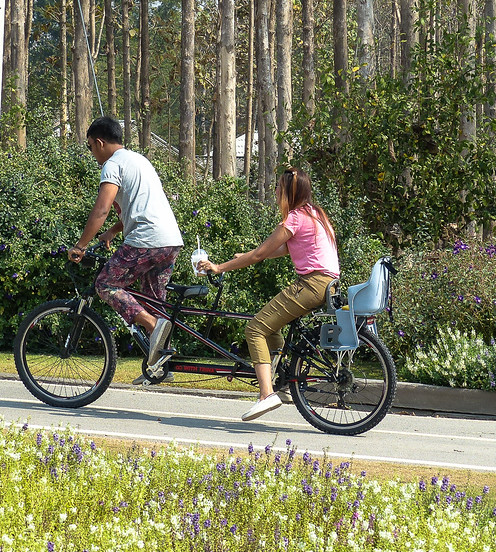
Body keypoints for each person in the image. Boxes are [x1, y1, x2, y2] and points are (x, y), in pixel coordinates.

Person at [197, 168, 339, 421]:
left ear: (288, 192)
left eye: (278, 188)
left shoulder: (294, 218)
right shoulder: (316, 215)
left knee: (255, 329)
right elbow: (283, 248)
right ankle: (283, 384)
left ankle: (266, 394)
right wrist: (247, 256)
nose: (275, 192)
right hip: (326, 284)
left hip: (311, 283)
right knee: (271, 326)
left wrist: (219, 267)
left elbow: (261, 254)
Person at [68, 117, 183, 377]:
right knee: (154, 301)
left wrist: (80, 245)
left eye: (90, 147)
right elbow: (141, 207)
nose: (92, 153)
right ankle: (160, 366)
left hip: (146, 240)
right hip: (170, 240)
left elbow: (102, 207)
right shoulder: (139, 160)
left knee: (105, 284)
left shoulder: (112, 165)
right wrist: (113, 231)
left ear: (99, 142)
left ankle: (152, 326)